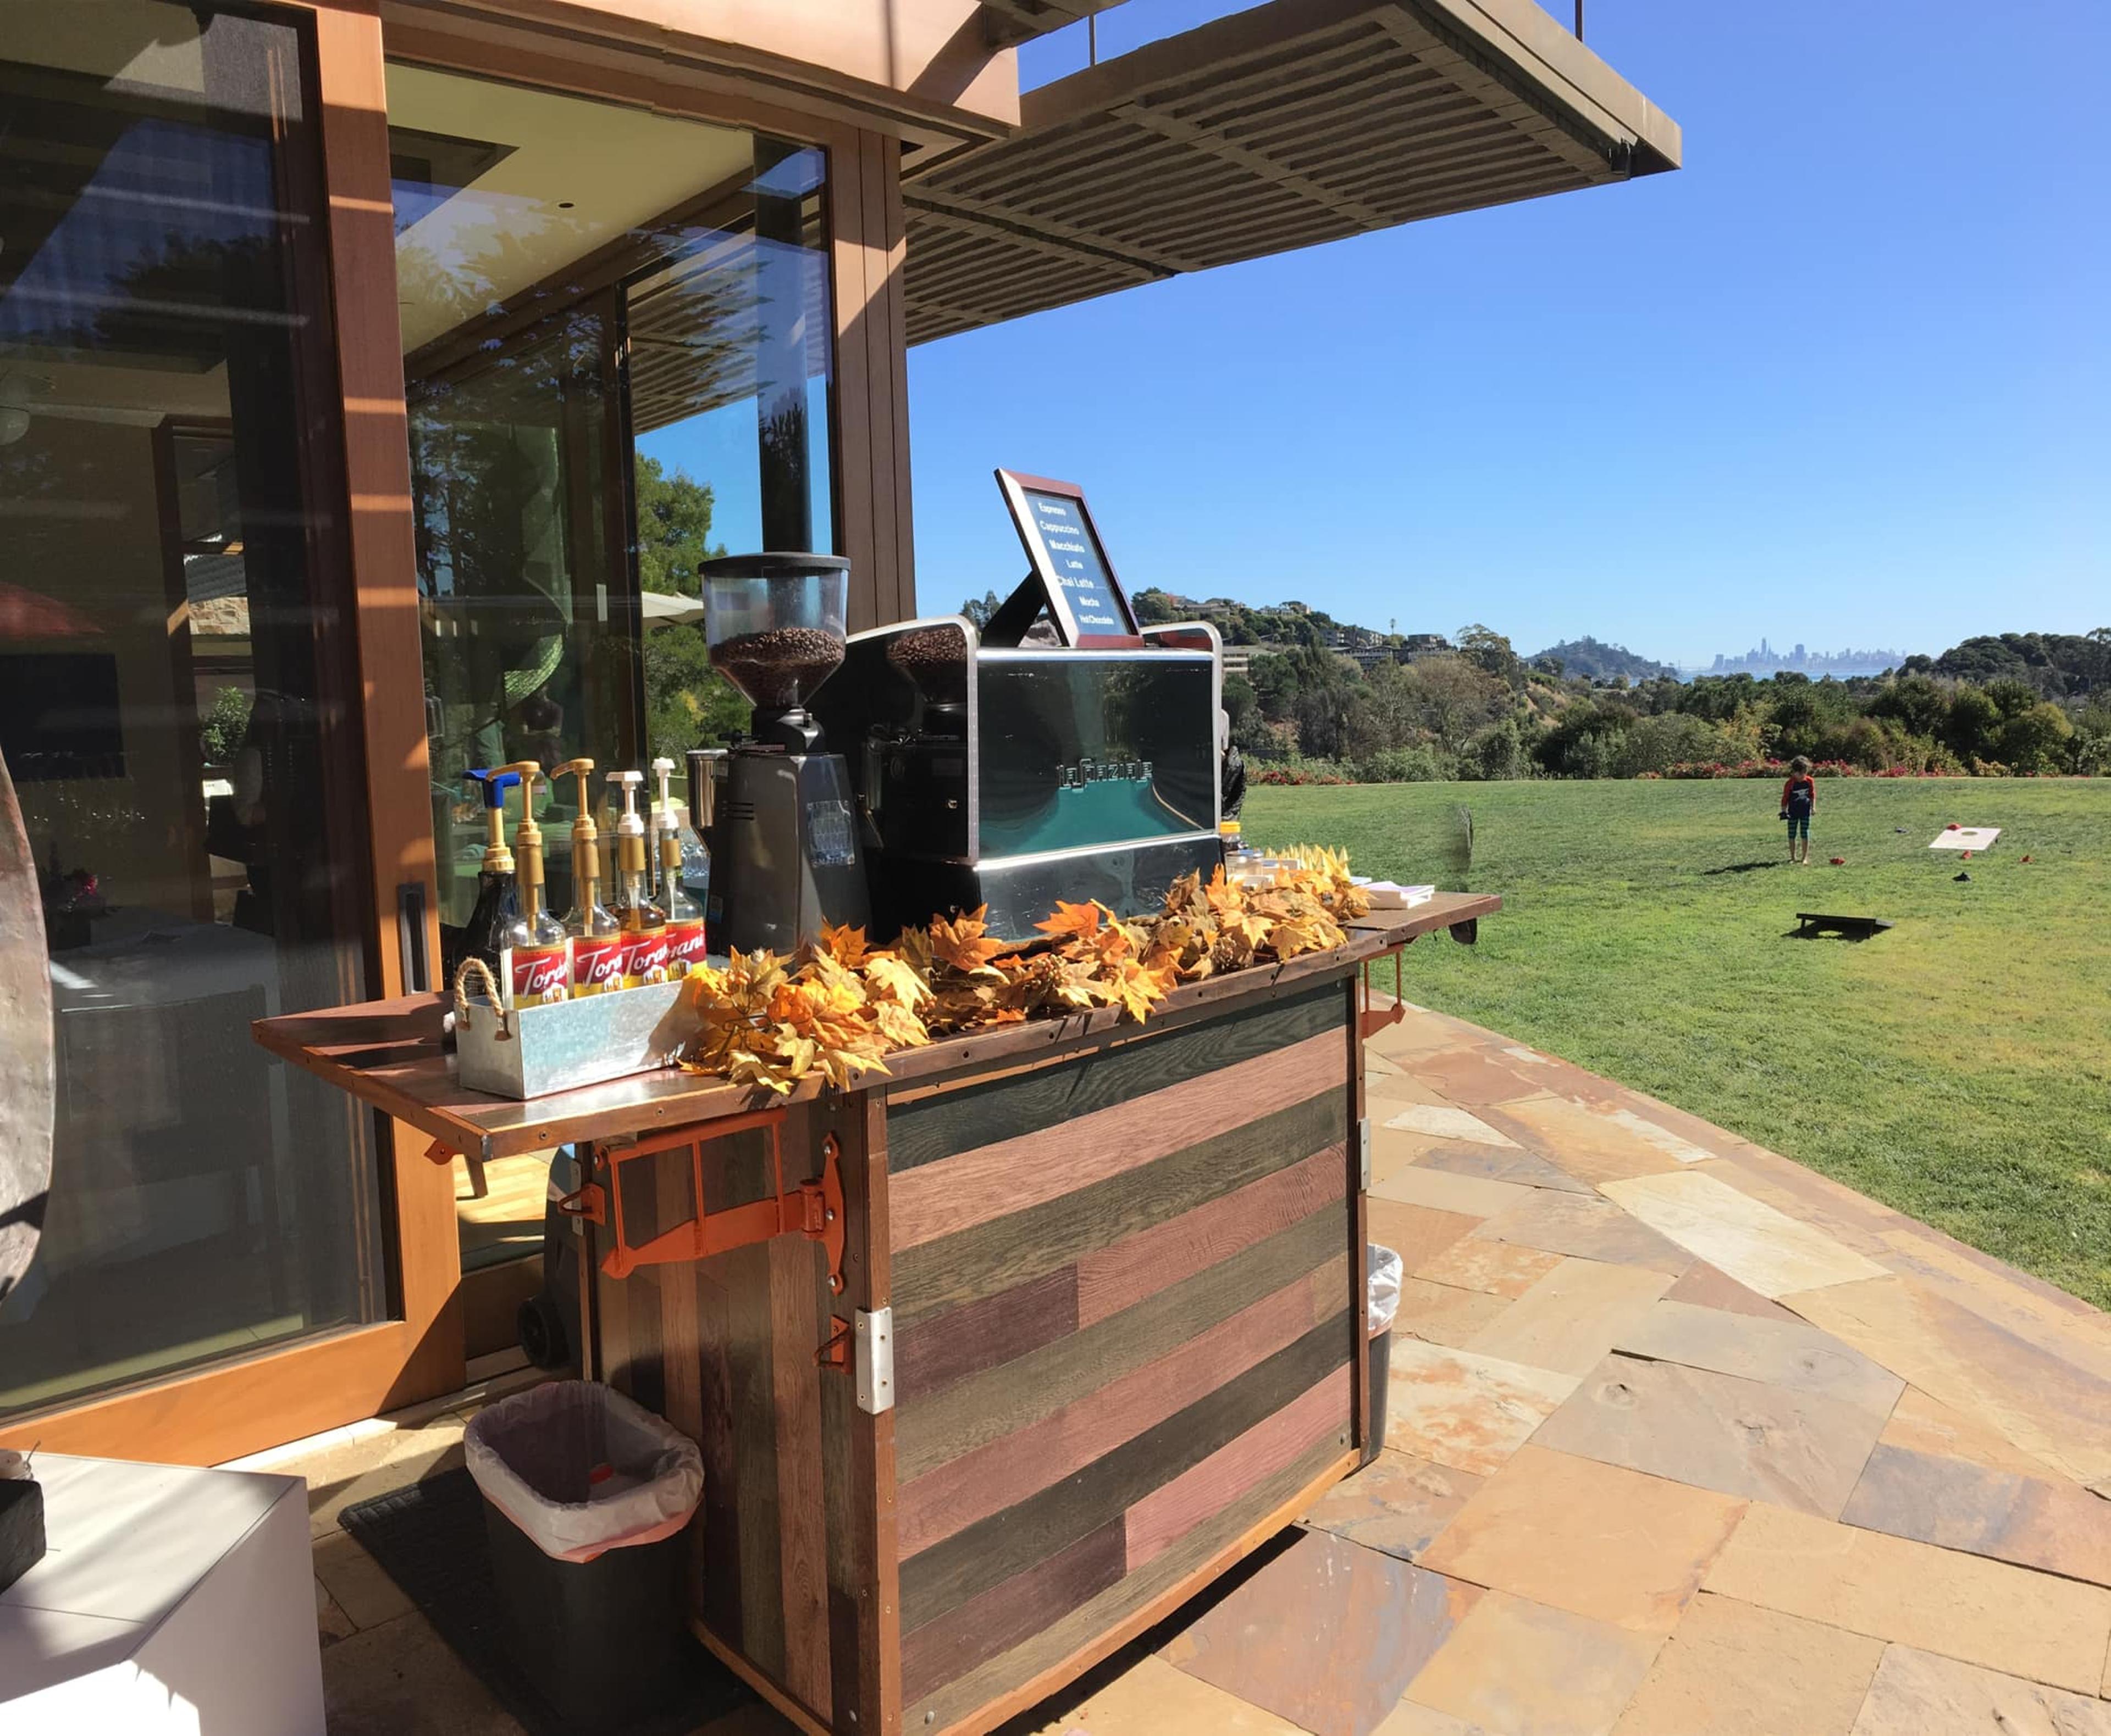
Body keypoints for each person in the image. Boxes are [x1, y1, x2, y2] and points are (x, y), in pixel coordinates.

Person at [1780, 755, 1816, 864]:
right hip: (1792, 813)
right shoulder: (1790, 784)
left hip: (1805, 811)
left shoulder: (1810, 781)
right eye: (1799, 773)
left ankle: (1805, 858)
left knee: (1805, 833)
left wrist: (1813, 807)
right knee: (1792, 834)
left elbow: (1812, 795)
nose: (1802, 776)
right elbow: (1785, 799)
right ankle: (1793, 857)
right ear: (1794, 772)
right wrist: (1784, 811)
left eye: (1804, 773)